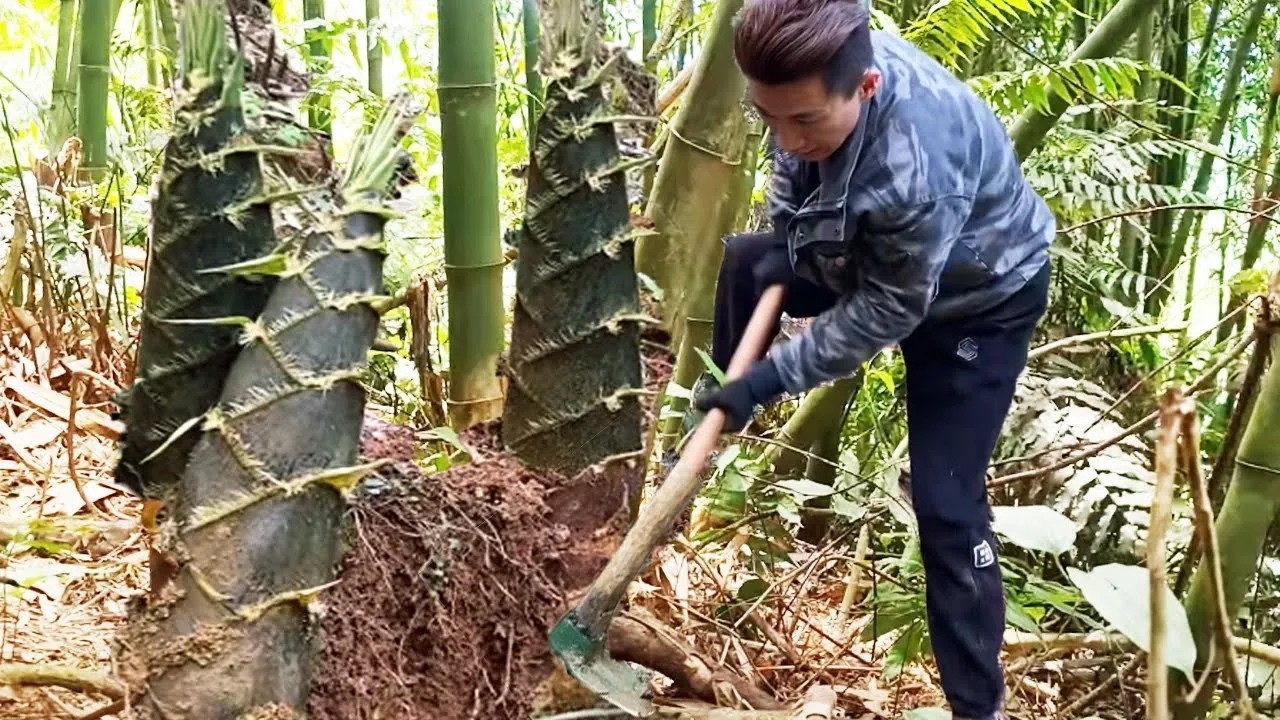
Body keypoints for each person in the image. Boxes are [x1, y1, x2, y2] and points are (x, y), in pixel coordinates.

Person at [690, 1, 1055, 718]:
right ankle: (712, 424)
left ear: (866, 88)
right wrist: (789, 238)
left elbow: (889, 312)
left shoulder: (916, 171)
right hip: (865, 248)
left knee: (948, 509)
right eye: (771, 118)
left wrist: (773, 378)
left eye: (805, 122)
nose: (788, 139)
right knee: (748, 261)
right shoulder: (813, 75)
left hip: (979, 298)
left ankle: (978, 709)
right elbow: (794, 162)